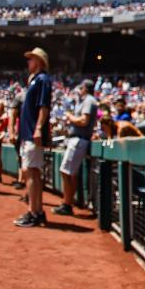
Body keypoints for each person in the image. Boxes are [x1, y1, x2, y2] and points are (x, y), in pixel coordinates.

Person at [15, 48, 52, 228]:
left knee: (31, 172)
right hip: (29, 134)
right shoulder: (37, 80)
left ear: (38, 61)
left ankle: (33, 212)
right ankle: (37, 212)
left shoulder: (42, 79)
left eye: (31, 59)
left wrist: (38, 129)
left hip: (32, 134)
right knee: (34, 172)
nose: (28, 62)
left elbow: (44, 107)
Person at [54, 79, 98, 217]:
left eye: (81, 88)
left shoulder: (89, 100)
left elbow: (84, 121)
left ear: (85, 88)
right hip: (77, 139)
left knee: (65, 171)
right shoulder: (84, 101)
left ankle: (67, 204)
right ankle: (69, 202)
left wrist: (70, 116)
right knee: (70, 173)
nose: (79, 90)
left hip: (79, 140)